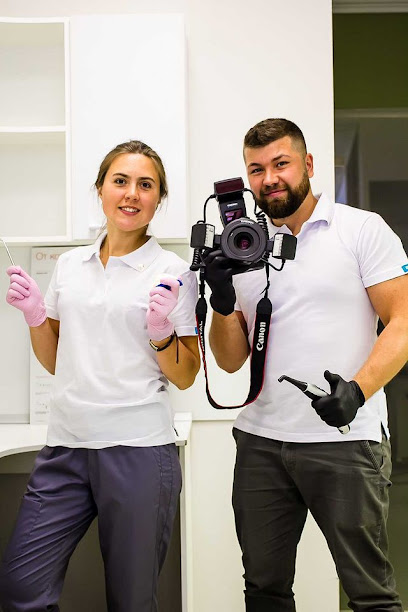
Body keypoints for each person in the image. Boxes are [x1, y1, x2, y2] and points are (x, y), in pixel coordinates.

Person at [205, 118, 408, 612]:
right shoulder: (242, 247)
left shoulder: (360, 229)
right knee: (264, 591)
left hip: (347, 441)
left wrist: (357, 390)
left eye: (281, 163)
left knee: (370, 595)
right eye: (256, 169)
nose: (269, 178)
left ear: (308, 164)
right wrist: (222, 300)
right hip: (261, 443)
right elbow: (229, 362)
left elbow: (403, 321)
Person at [0, 140, 200, 612]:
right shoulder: (70, 266)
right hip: (66, 447)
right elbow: (55, 360)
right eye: (120, 181)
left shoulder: (174, 272)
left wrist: (161, 334)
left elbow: (187, 374)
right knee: (21, 588)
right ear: (100, 189)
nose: (131, 193)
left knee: (132, 600)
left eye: (146, 185)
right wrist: (35, 316)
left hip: (138, 451)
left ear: (159, 199)